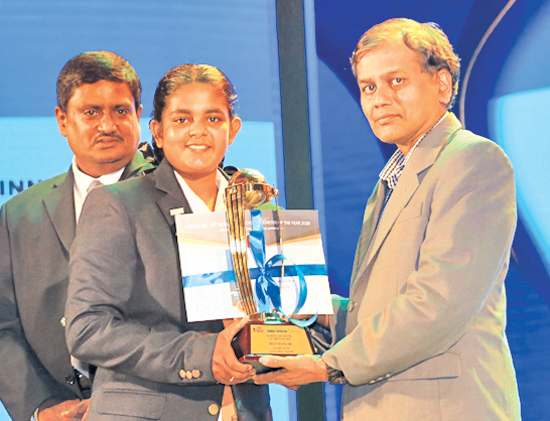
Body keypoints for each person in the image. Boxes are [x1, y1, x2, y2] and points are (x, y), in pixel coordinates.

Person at [255, 18, 521, 420]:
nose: (379, 99)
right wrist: (303, 306)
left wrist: (328, 364)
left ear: (443, 84)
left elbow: (437, 304)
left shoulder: (472, 160)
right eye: (368, 87)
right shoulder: (395, 176)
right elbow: (379, 309)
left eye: (396, 81)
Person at [64, 64, 271, 421]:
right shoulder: (117, 204)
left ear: (232, 129)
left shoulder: (259, 208)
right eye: (181, 120)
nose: (198, 132)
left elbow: (281, 313)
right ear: (157, 132)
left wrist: (301, 342)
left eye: (213, 119)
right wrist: (203, 355)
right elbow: (87, 329)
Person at [0, 51, 155, 421]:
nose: (107, 125)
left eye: (121, 111)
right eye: (91, 112)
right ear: (62, 120)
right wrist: (40, 408)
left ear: (140, 115)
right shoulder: (19, 214)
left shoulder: (174, 199)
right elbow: (3, 325)